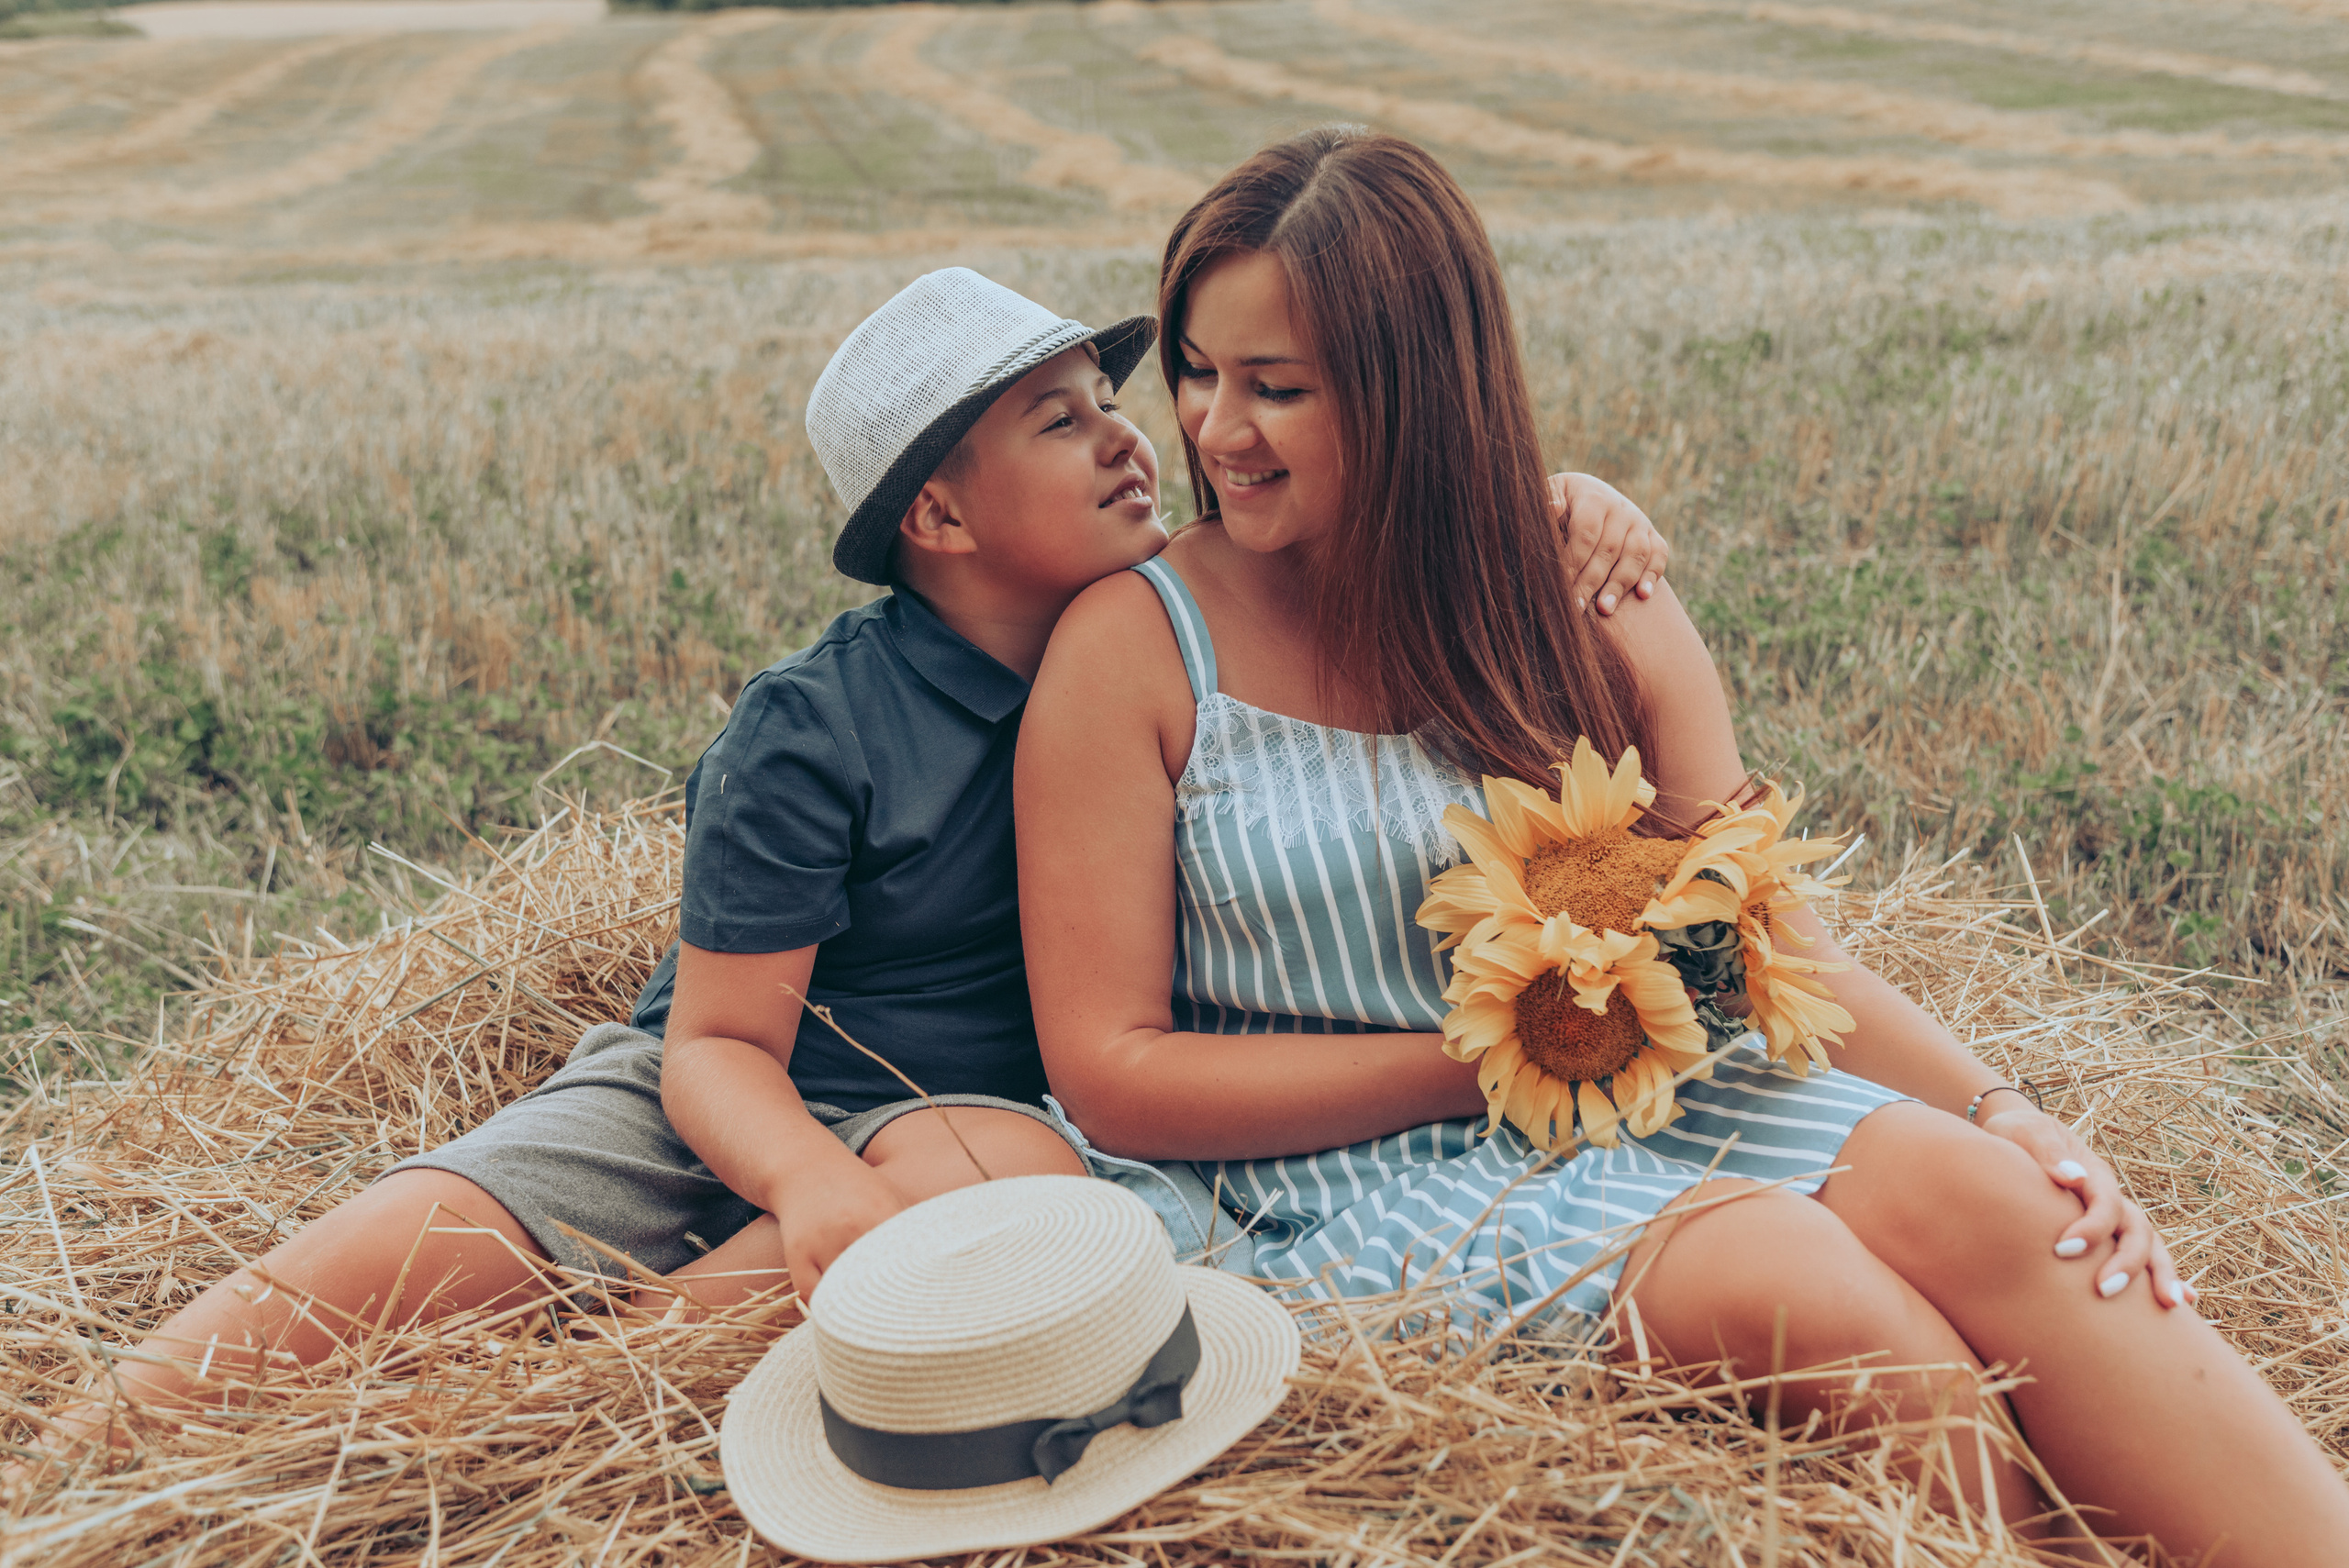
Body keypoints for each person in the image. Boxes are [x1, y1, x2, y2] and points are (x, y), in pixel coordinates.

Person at [12, 267, 1668, 1479]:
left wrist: (1561, 502)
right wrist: (805, 1182)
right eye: (1056, 421)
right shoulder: (819, 722)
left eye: (1108, 404)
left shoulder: (1178, 628)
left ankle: (549, 1438)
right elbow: (717, 1043)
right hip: (720, 1085)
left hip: (982, 1109)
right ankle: (82, 1461)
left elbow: (1360, 515)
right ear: (941, 516)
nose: (1131, 441)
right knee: (420, 1241)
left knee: (997, 1194)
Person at [1016, 128, 2349, 1561]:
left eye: (1277, 387)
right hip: (1334, 1182)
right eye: (1198, 372)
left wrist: (2009, 1113)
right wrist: (1501, 1054)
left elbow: (1763, 940)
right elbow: (1116, 1072)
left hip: (1642, 1100)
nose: (1216, 431)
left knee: (2010, 1212)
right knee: (1821, 1300)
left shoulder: (1585, 598)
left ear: (1419, 392)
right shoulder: (1136, 649)